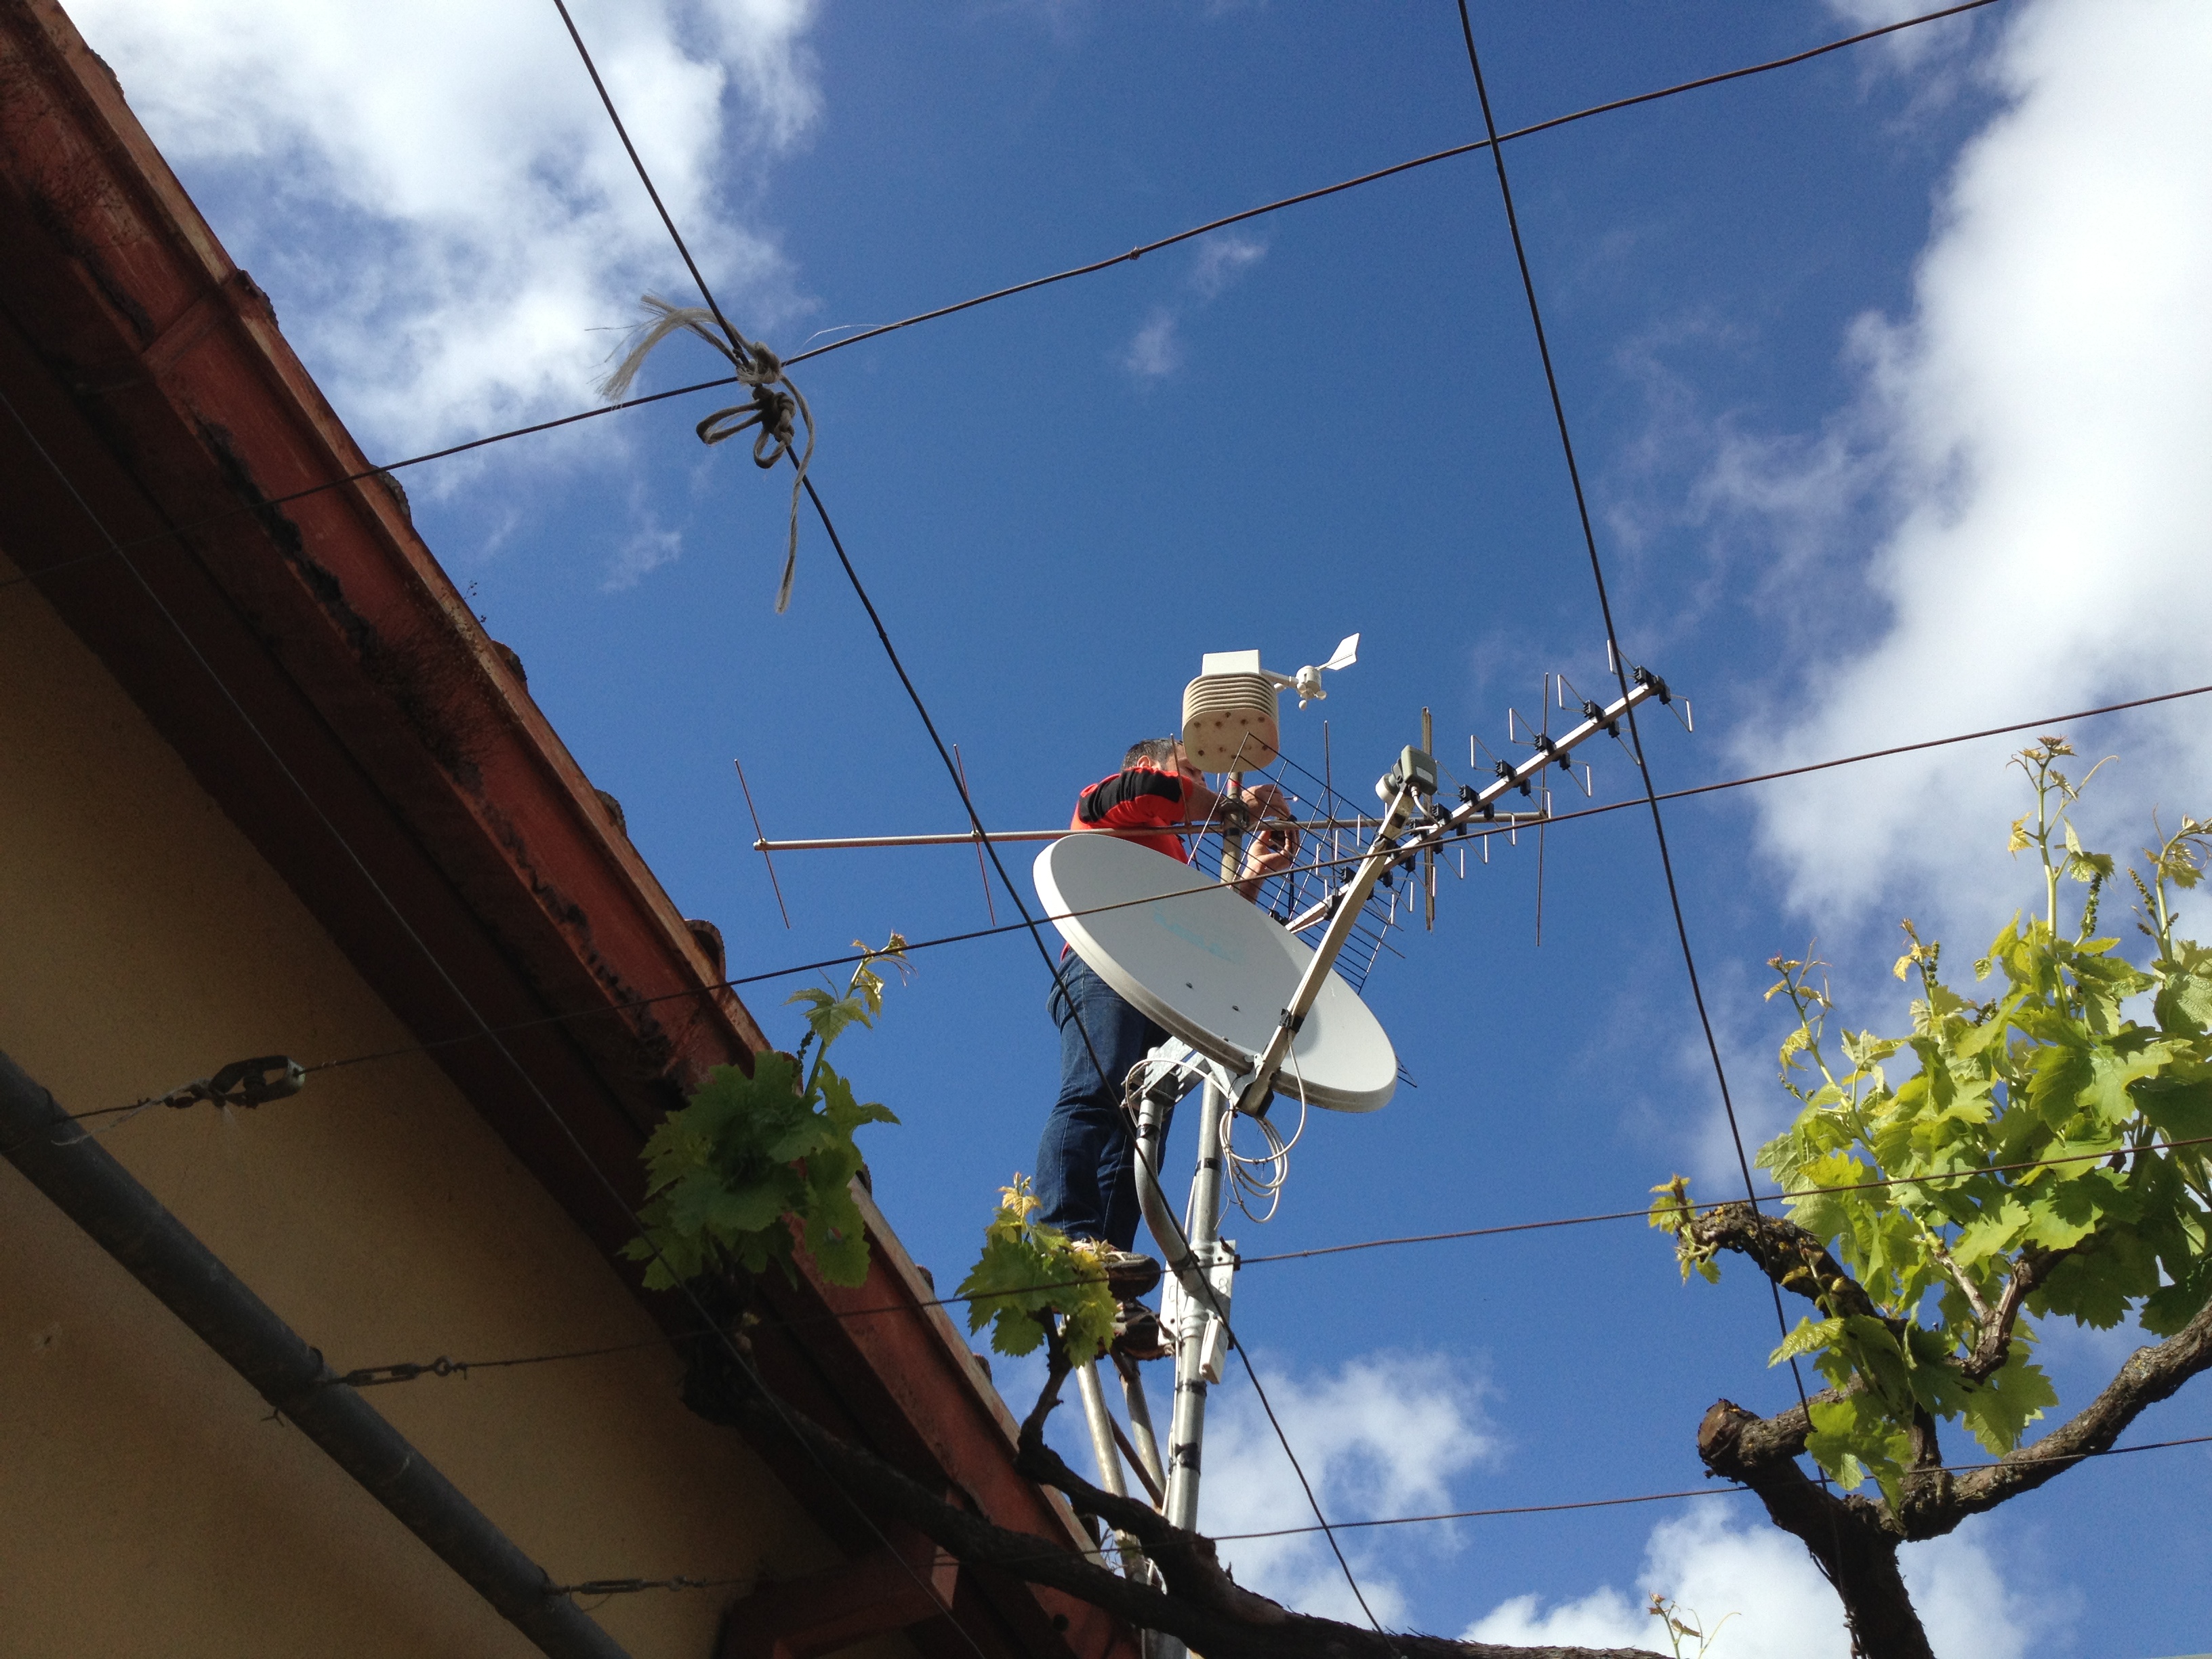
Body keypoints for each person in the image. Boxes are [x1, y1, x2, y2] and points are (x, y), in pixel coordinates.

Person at [1034, 736, 1298, 1358]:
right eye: (1192, 771)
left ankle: (1107, 1283)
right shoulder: (1112, 806)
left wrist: (1253, 873)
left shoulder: (1170, 860)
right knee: (1098, 1091)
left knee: (1140, 1127)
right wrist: (1233, 809)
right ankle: (1062, 1238)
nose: (1201, 784)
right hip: (1102, 969)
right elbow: (1147, 792)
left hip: (1157, 990)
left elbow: (1201, 938)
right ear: (1152, 764)